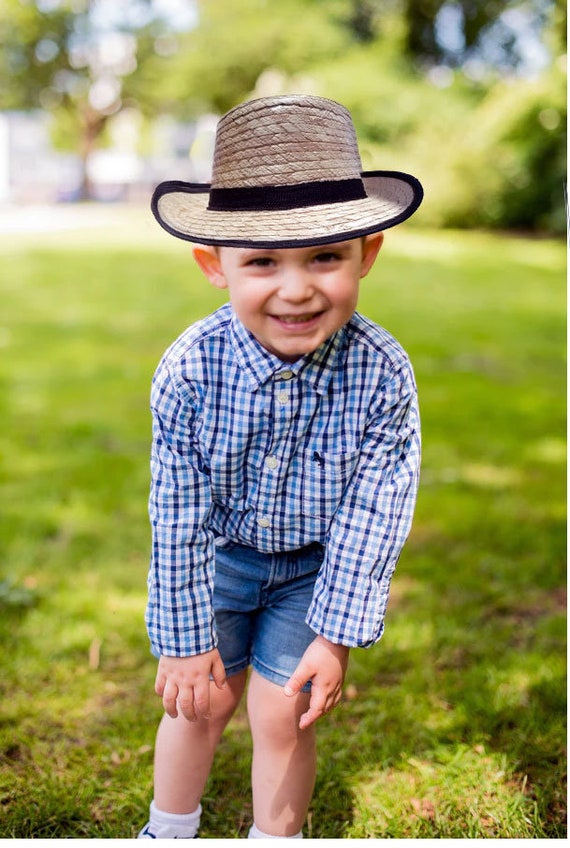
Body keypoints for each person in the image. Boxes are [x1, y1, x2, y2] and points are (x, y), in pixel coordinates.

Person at [139, 94, 423, 840]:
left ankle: (276, 837)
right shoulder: (191, 369)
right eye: (262, 261)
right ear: (214, 264)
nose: (295, 289)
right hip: (218, 558)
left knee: (283, 708)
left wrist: (334, 635)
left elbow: (376, 512)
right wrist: (183, 635)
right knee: (200, 700)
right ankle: (167, 829)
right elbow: (175, 514)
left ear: (367, 254)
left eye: (324, 257)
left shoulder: (382, 373)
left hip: (313, 569)